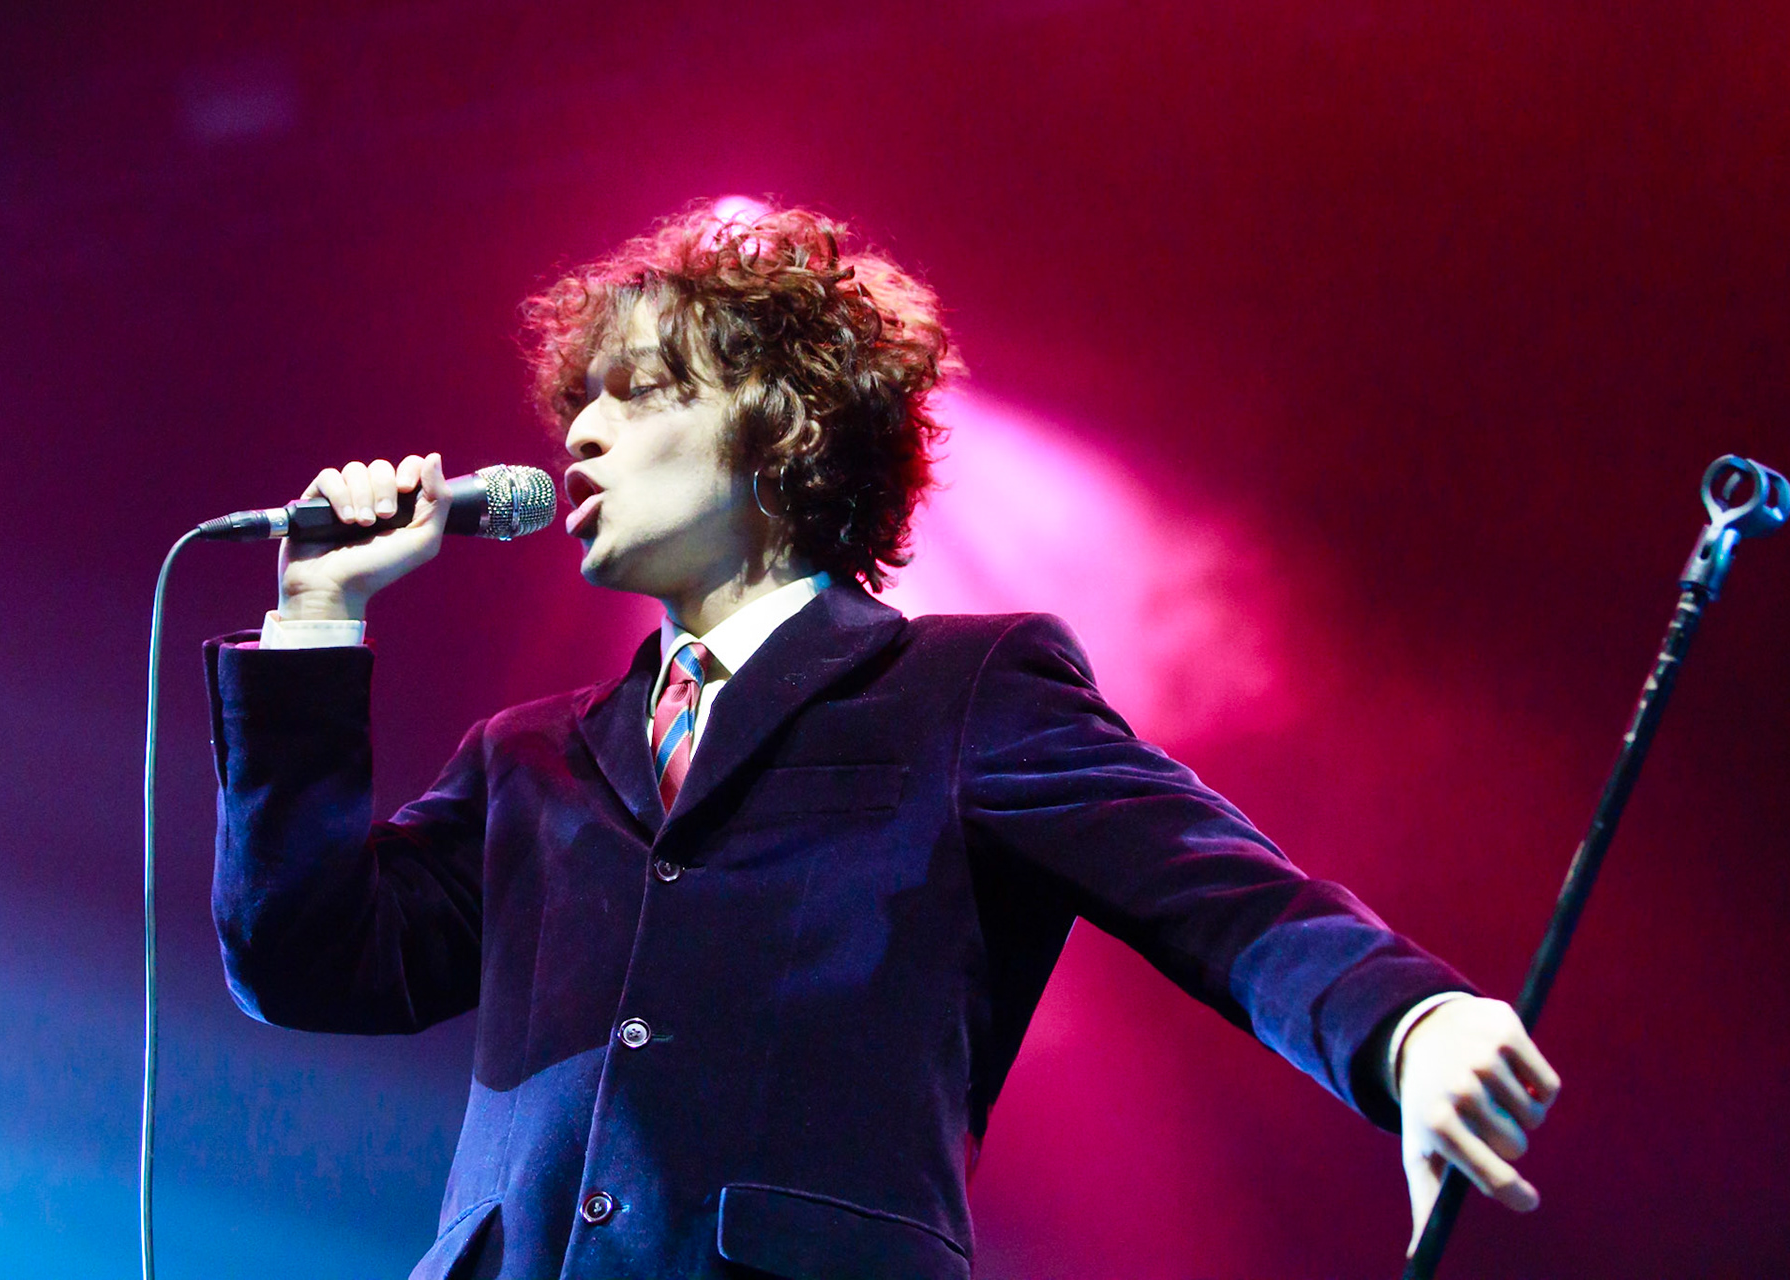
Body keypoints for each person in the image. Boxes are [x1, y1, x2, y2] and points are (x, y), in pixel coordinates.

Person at [205, 203, 1560, 1280]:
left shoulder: (963, 690)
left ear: (782, 424)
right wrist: (317, 617)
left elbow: (1228, 901)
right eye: (579, 404)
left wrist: (1411, 1026)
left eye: (644, 391)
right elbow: (307, 959)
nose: (584, 433)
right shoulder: (528, 756)